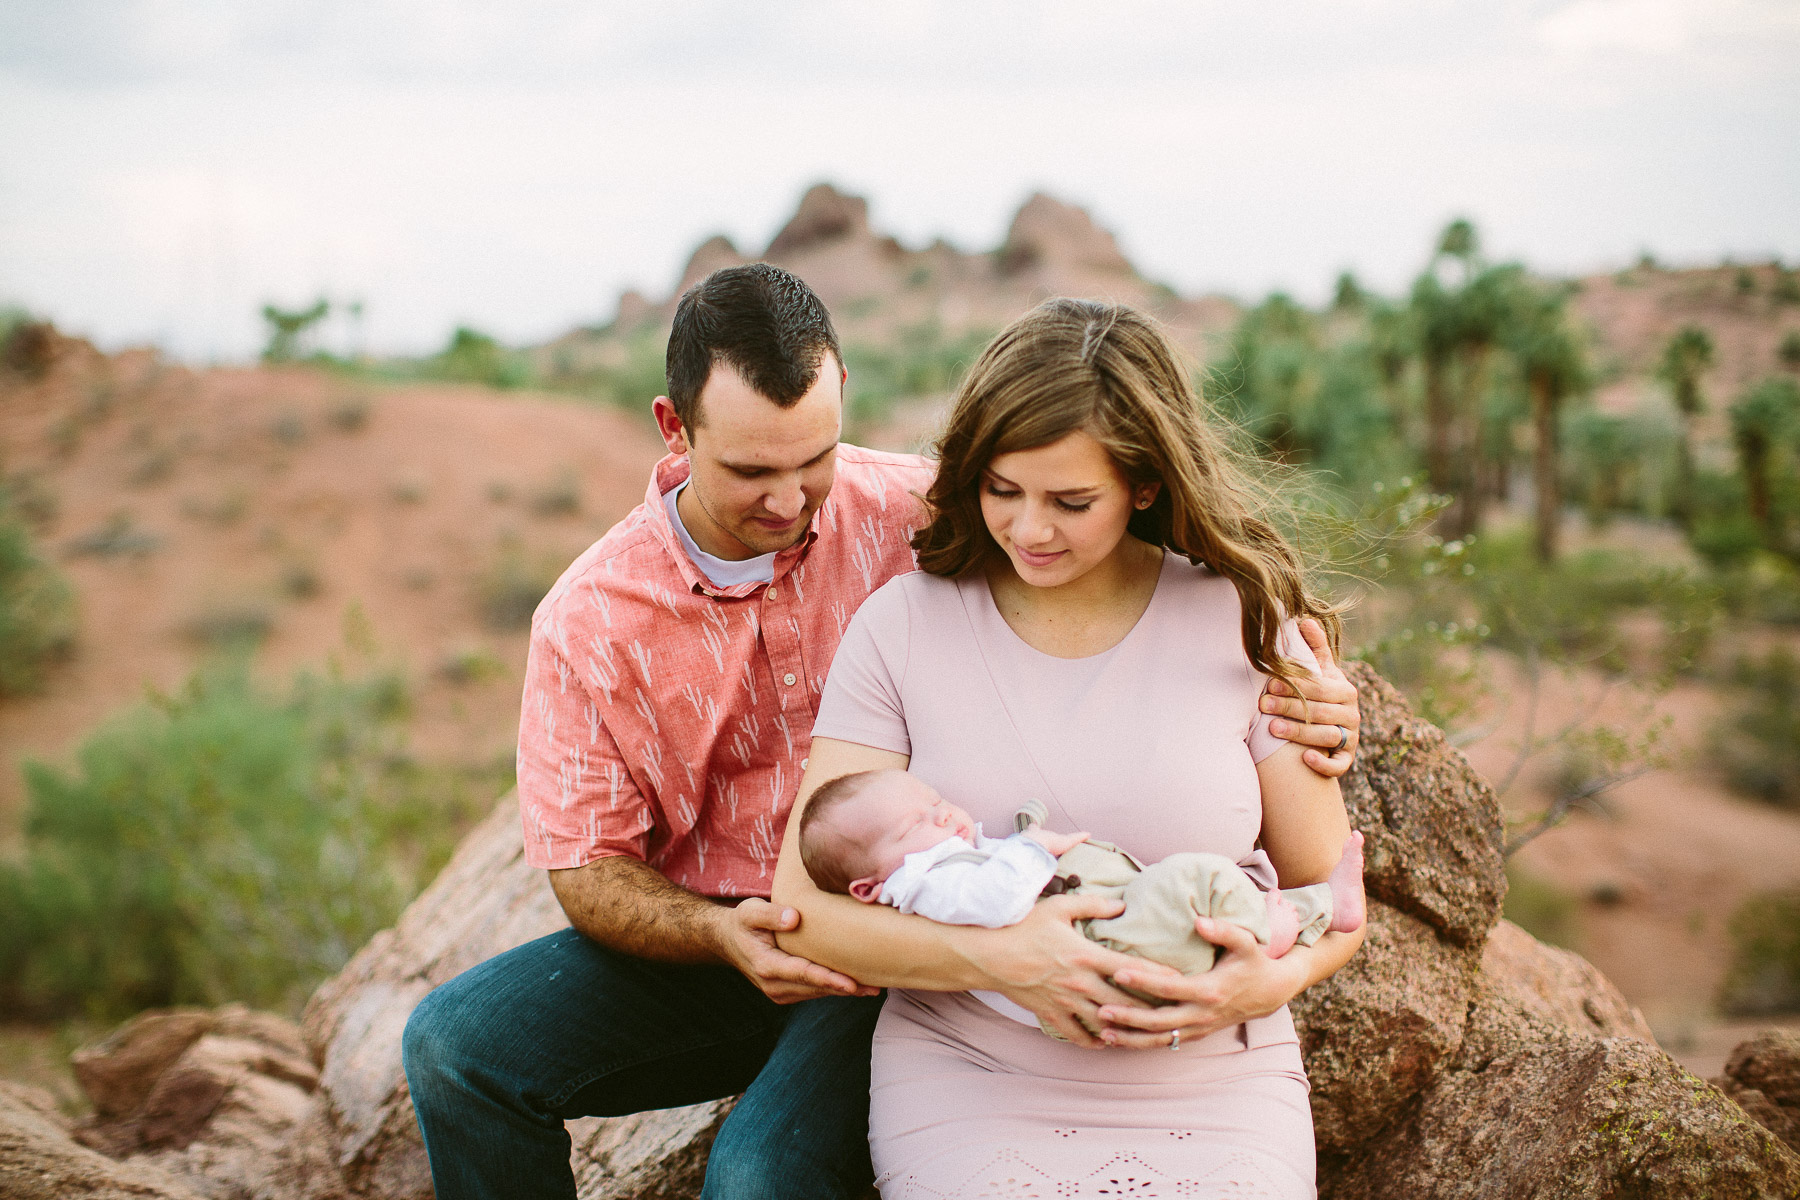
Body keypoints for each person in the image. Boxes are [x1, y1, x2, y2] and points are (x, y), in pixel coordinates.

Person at [402, 267, 1365, 1200]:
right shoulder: (590, 619)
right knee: (453, 1048)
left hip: (907, 929)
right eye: (750, 471)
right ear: (674, 428)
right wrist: (724, 935)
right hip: (732, 938)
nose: (788, 500)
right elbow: (588, 872)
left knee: (758, 1172)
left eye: (813, 461)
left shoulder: (928, 505)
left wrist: (1315, 682)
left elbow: (1097, 500)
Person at [772, 298, 1368, 1198]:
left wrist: (1262, 988)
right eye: (1001, 489)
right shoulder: (901, 628)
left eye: (1070, 500)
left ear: (1146, 484)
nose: (1029, 530)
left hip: (1215, 1078)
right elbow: (803, 912)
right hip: (975, 1074)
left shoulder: (1244, 623)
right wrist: (1002, 961)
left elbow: (1332, 895)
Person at [796, 770, 1366, 1007]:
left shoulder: (948, 862)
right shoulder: (927, 886)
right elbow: (998, 899)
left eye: (938, 804)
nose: (945, 819)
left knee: (1182, 890)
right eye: (914, 825)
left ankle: (1317, 908)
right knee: (1197, 877)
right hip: (1103, 951)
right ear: (870, 889)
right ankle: (1267, 934)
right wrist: (1033, 846)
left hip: (1112, 936)